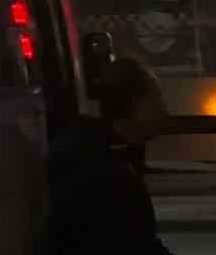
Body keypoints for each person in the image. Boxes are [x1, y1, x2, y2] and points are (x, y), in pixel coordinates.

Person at [46, 57, 172, 255]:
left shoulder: (89, 149)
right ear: (136, 105)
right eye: (157, 99)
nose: (164, 109)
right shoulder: (110, 174)